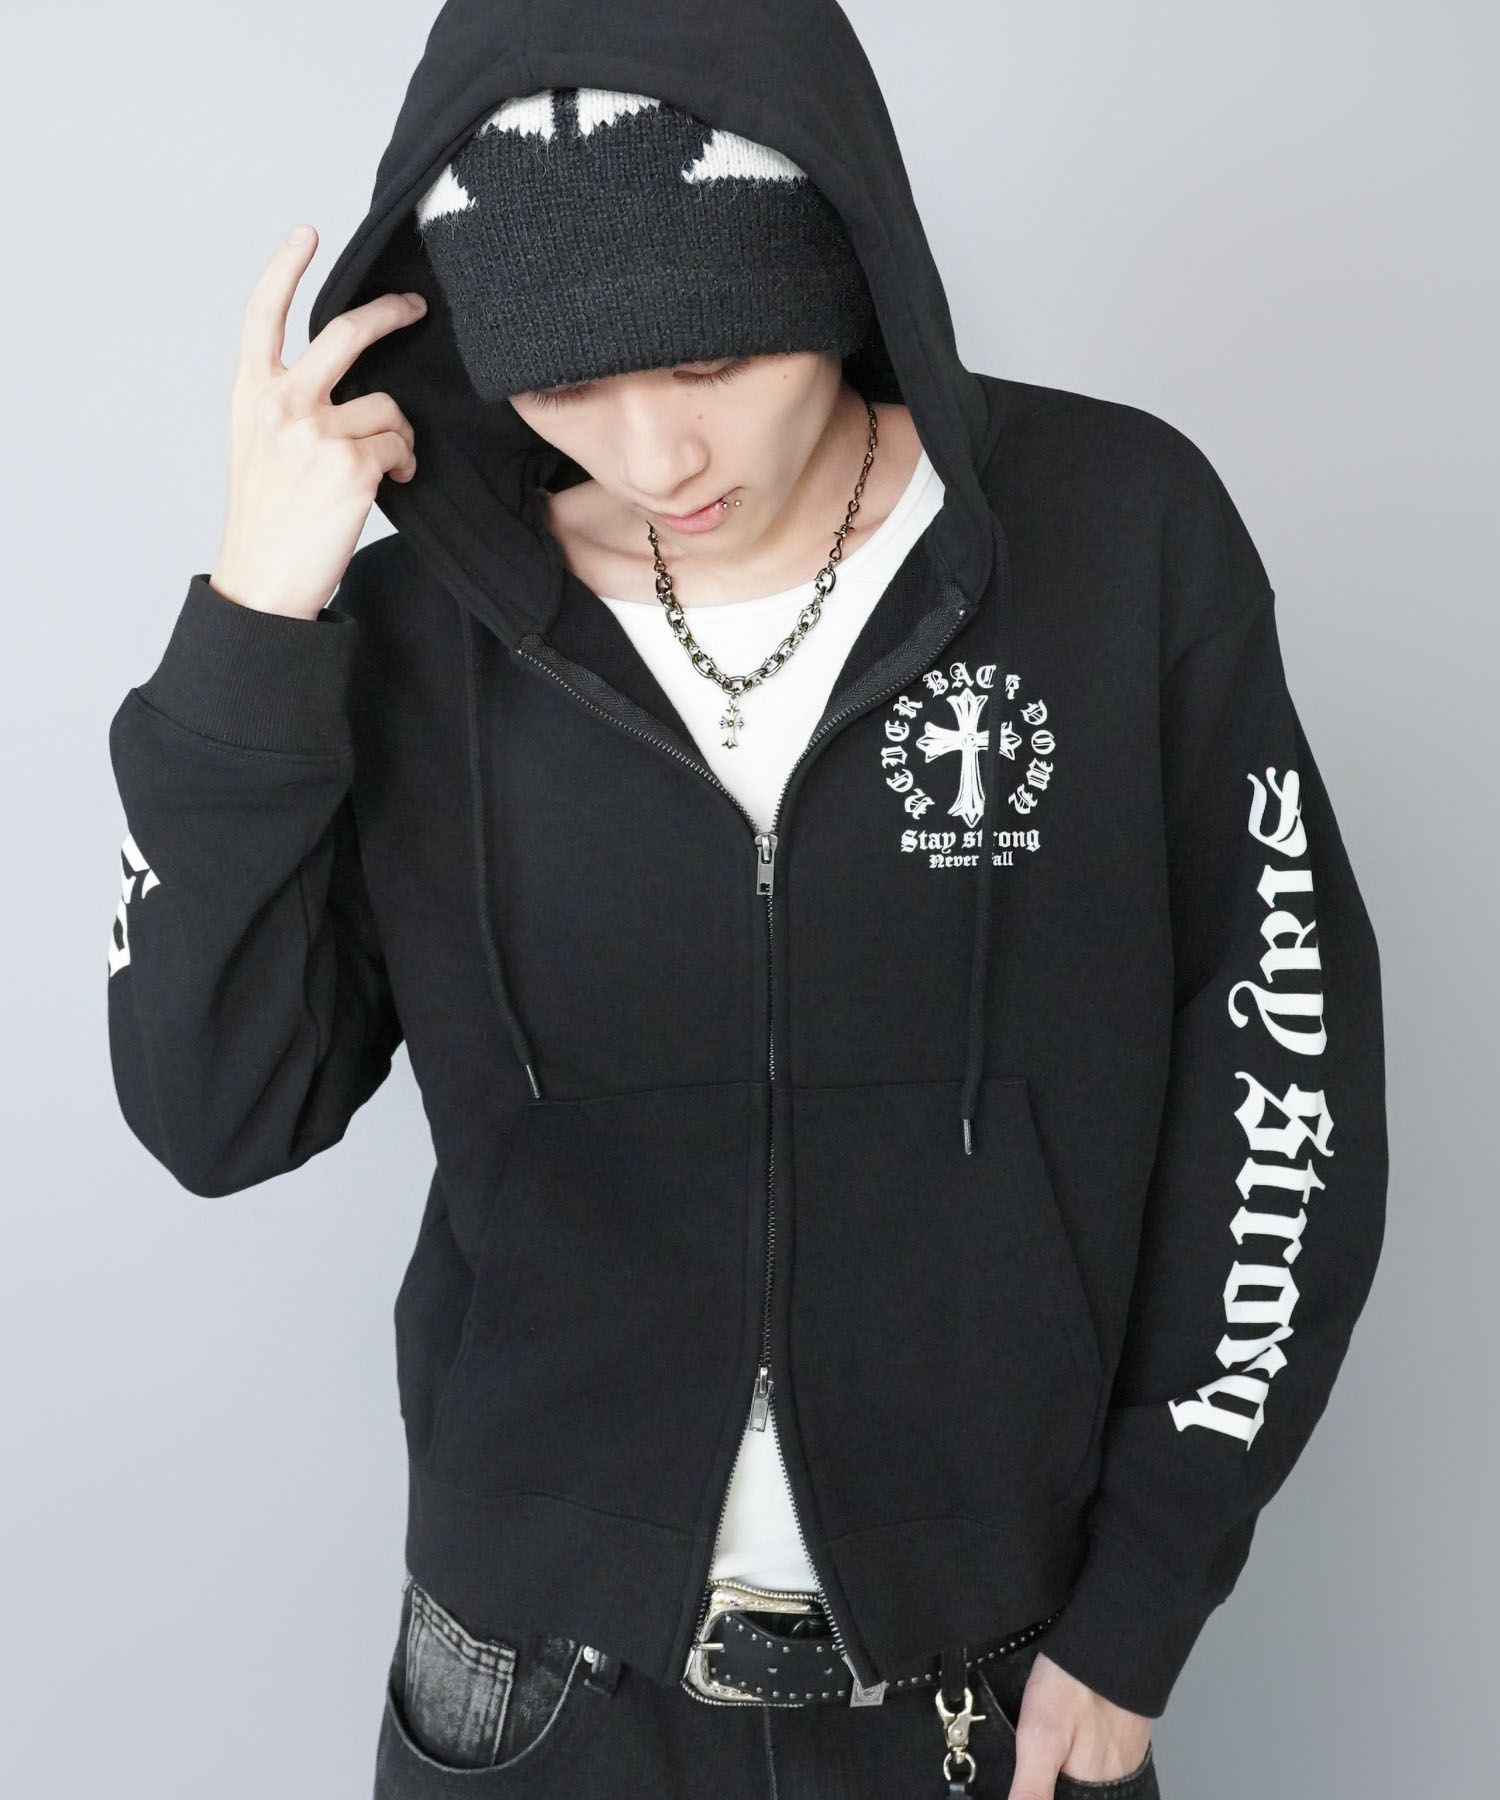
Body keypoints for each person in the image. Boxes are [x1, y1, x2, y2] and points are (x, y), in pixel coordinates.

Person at [104, 3, 1389, 1797]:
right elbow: (215, 1110)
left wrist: (1142, 1606)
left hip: (983, 1697)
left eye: (714, 359)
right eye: (566, 386)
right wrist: (254, 627)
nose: (653, 459)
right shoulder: (412, 633)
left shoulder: (1119, 537)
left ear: (843, 267)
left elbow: (1282, 1082)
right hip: (525, 1695)